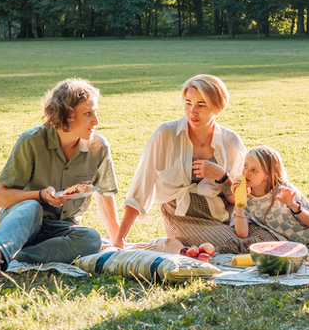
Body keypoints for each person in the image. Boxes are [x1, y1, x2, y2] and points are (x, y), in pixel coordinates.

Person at [0, 78, 120, 287]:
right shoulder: (31, 141)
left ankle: (7, 255)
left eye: (95, 112)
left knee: (91, 239)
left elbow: (104, 194)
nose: (96, 121)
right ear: (66, 115)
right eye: (88, 114)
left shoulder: (99, 146)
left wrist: (118, 241)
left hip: (60, 230)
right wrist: (39, 195)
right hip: (23, 222)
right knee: (32, 207)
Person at [113, 75, 276, 253]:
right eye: (188, 103)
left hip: (222, 215)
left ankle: (178, 247)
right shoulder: (166, 135)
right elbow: (140, 187)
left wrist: (221, 177)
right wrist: (120, 239)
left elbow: (237, 199)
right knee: (235, 246)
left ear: (217, 107)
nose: (192, 111)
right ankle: (168, 246)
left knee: (267, 239)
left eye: (201, 104)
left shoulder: (230, 141)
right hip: (183, 217)